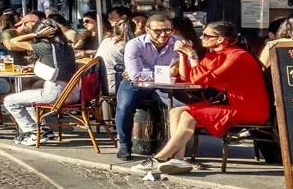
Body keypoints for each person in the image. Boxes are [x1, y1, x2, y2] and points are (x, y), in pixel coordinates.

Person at [135, 21, 270, 175]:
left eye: (206, 35)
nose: (201, 37)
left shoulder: (238, 56)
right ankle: (178, 158)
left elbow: (200, 79)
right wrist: (183, 55)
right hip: (230, 103)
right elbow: (191, 79)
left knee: (188, 115)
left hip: (247, 107)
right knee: (176, 112)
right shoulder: (215, 55)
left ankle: (160, 158)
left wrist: (192, 56)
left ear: (220, 39)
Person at [114, 13, 181, 161]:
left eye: (167, 30)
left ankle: (175, 147)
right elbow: (135, 76)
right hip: (136, 85)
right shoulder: (135, 44)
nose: (163, 34)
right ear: (147, 30)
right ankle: (124, 145)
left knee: (181, 108)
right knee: (124, 108)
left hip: (164, 85)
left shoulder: (178, 43)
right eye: (158, 31)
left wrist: (188, 54)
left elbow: (183, 70)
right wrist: (166, 73)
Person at [1, 17, 78, 144]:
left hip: (55, 93)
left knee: (9, 101)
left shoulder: (46, 46)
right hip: (72, 92)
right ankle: (43, 129)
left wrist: (36, 34)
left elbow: (13, 41)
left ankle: (33, 132)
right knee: (30, 99)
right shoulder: (67, 46)